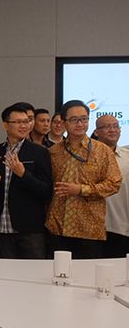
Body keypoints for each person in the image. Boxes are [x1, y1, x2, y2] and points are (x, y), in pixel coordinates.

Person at [46, 100, 122, 259]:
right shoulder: (53, 152)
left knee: (88, 277)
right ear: (64, 122)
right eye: (74, 120)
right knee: (59, 275)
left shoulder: (102, 151)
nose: (80, 124)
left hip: (89, 228)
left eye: (84, 119)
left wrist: (81, 189)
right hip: (58, 225)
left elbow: (114, 183)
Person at [0, 104, 52, 259]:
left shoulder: (39, 152)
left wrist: (23, 174)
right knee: (5, 278)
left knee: (33, 276)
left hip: (30, 229)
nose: (24, 126)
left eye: (27, 121)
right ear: (5, 125)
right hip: (1, 228)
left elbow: (46, 190)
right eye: (18, 122)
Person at [91, 114, 129, 258]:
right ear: (96, 132)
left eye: (116, 126)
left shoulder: (127, 156)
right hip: (93, 228)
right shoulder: (87, 157)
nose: (112, 130)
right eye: (107, 127)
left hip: (121, 227)